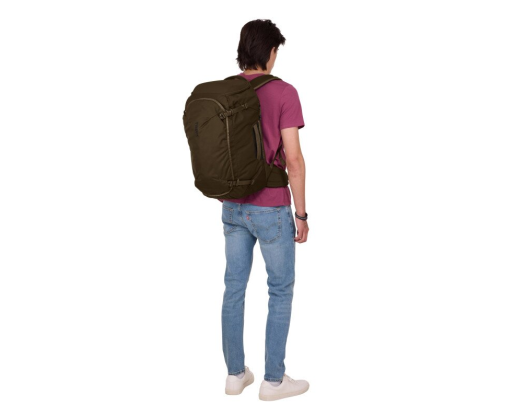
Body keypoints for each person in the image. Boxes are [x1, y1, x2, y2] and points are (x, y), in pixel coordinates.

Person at [219, 19, 309, 401]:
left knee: (234, 288)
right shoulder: (284, 92)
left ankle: (235, 375)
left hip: (232, 206)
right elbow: (294, 161)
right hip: (271, 208)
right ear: (270, 52)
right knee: (280, 289)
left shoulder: (226, 91)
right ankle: (273, 381)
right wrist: (301, 215)